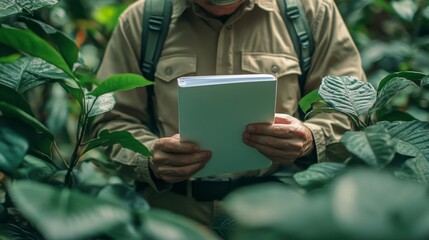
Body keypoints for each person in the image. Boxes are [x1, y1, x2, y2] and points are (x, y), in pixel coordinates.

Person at [93, 0, 366, 226]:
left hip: (279, 215)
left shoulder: (311, 13)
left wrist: (310, 137)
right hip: (173, 220)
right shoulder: (142, 21)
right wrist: (150, 157)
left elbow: (351, 109)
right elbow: (111, 117)